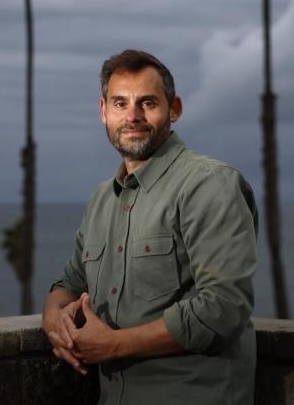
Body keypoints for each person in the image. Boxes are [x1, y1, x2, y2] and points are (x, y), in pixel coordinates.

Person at [43, 49, 258, 404]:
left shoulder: (210, 184)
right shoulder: (102, 199)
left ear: (174, 109)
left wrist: (115, 345)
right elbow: (69, 284)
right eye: (120, 103)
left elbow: (224, 307)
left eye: (147, 103)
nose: (132, 116)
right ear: (103, 112)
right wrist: (55, 323)